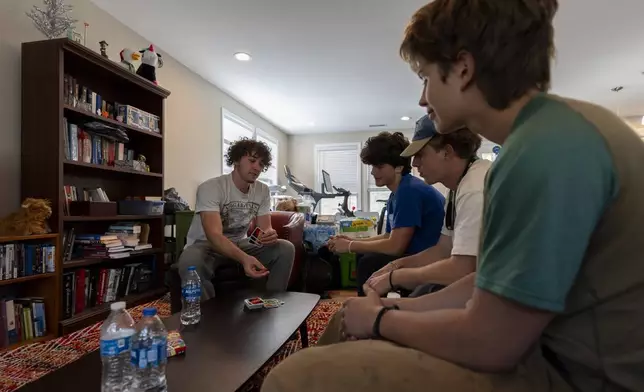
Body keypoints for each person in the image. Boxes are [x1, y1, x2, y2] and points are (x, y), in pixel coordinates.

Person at [261, 1, 644, 391]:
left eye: (426, 78)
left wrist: (381, 319)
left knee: (291, 379)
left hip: (574, 374)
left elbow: (492, 341)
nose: (422, 99)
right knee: (347, 320)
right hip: (545, 348)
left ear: (463, 68)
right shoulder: (545, 136)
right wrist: (393, 306)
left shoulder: (543, 151)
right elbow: (484, 285)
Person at [366, 117, 490, 297]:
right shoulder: (457, 189)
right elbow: (442, 250)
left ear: (447, 152)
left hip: (507, 294)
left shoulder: (474, 189)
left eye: (420, 155)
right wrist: (395, 266)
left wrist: (395, 277)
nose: (414, 163)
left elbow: (463, 269)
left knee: (421, 294)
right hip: (482, 280)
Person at [327, 131, 445, 296]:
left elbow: (395, 247)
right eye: (373, 167)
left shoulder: (409, 191)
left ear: (398, 167)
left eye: (380, 167)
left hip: (427, 258)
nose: (374, 173)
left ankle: (370, 312)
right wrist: (351, 241)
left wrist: (349, 246)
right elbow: (388, 236)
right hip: (414, 253)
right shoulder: (397, 193)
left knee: (368, 261)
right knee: (363, 256)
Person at [176, 138, 294, 301]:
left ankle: (272, 303)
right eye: (252, 161)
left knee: (285, 248)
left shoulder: (262, 190)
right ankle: (205, 318)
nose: (256, 168)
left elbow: (264, 228)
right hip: (207, 244)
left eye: (261, 164)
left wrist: (269, 234)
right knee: (190, 261)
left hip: (240, 242)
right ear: (237, 160)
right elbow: (214, 235)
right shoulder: (211, 187)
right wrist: (244, 259)